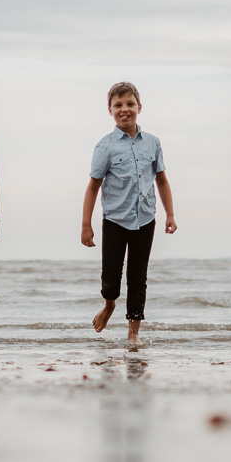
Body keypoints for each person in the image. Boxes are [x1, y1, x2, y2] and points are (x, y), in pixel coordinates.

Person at [81, 82, 177, 344]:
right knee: (111, 279)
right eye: (118, 105)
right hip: (115, 220)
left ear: (139, 107)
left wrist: (170, 214)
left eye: (130, 104)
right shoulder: (105, 146)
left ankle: (133, 333)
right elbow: (93, 187)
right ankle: (110, 305)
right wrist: (86, 225)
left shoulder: (153, 143)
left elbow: (162, 181)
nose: (125, 110)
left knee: (138, 278)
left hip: (145, 219)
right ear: (110, 110)